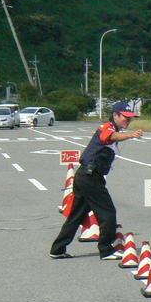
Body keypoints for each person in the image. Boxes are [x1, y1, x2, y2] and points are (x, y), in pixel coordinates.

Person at [49, 101, 144, 260]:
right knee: (107, 213)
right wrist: (130, 135)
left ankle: (57, 249)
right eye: (125, 117)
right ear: (115, 115)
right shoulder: (108, 127)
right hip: (90, 177)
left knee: (77, 216)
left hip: (86, 176)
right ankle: (106, 250)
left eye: (130, 118)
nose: (128, 121)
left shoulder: (115, 128)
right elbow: (110, 136)